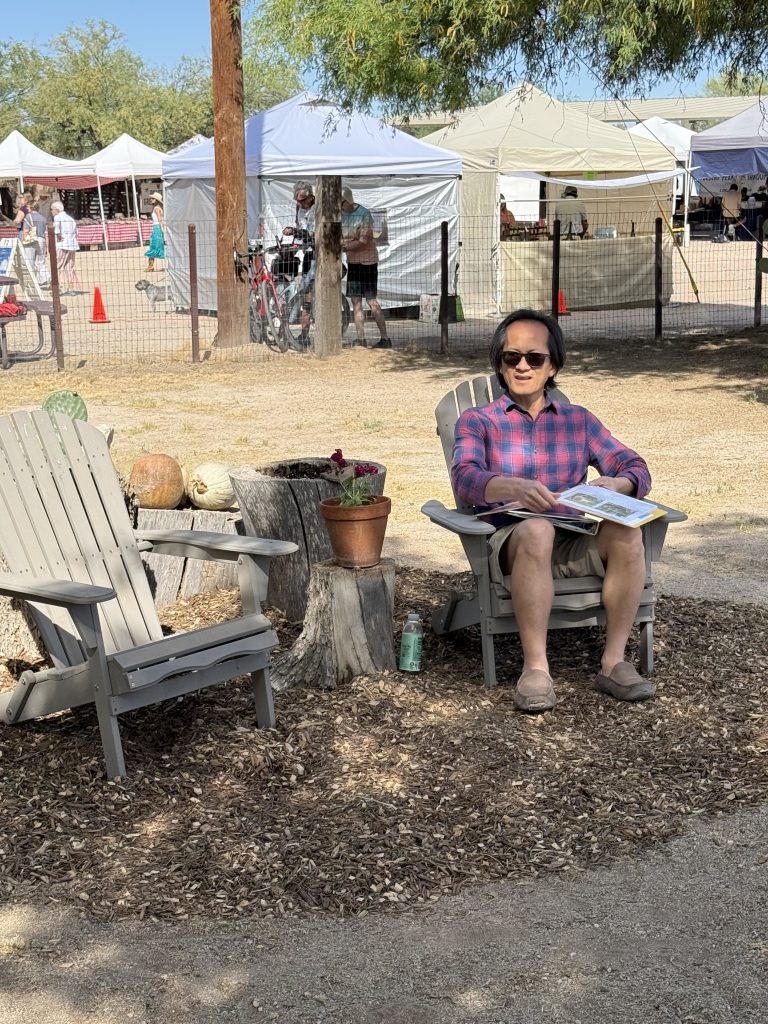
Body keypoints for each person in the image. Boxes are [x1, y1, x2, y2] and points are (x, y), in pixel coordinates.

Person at [451, 309, 653, 713]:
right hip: (512, 539)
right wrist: (513, 487)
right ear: (499, 364)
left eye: (534, 358)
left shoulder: (578, 420)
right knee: (537, 530)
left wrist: (617, 483)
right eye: (512, 357)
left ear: (552, 366)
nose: (522, 366)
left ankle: (613, 662)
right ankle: (536, 669)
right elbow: (464, 477)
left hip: (573, 536)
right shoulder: (478, 421)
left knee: (628, 533)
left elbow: (636, 468)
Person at [340, 186, 391, 349]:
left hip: (368, 262)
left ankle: (385, 338)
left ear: (347, 200)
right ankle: (361, 339)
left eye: (341, 202)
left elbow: (363, 241)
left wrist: (344, 247)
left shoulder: (364, 214)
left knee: (371, 301)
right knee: (355, 301)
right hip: (353, 262)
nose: (339, 206)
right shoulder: (340, 215)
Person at [51, 200, 80, 293]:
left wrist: (59, 235)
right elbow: (77, 232)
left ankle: (56, 287)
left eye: (52, 210)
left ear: (56, 210)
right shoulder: (70, 219)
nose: (51, 212)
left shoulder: (57, 217)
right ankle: (70, 288)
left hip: (62, 245)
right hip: (72, 245)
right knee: (69, 267)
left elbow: (57, 230)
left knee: (57, 266)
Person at [22, 200, 50, 287]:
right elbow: (46, 234)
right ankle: (46, 278)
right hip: (41, 240)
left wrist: (23, 241)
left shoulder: (28, 217)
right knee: (40, 261)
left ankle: (32, 281)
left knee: (30, 261)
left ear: (30, 207)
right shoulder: (43, 218)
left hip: (31, 239)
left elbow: (25, 231)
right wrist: (47, 247)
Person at [144, 191, 165, 271]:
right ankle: (150, 266)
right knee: (156, 246)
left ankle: (151, 266)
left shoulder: (156, 208)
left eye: (153, 198)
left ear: (156, 200)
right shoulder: (158, 208)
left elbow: (160, 219)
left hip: (157, 228)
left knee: (154, 245)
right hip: (157, 227)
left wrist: (162, 229)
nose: (151, 199)